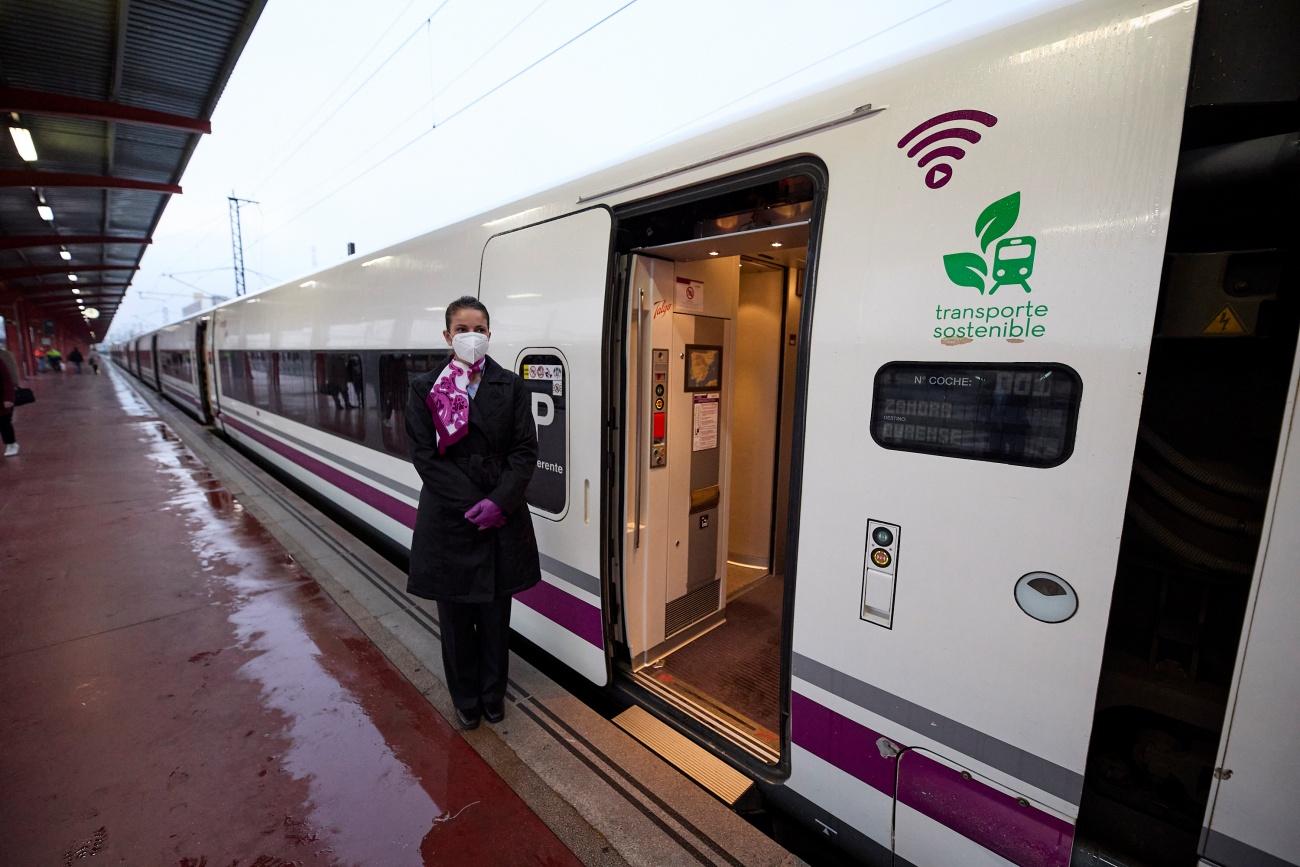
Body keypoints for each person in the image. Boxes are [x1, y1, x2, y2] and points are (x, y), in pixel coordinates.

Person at [405, 296, 541, 730]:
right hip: (450, 520)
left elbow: (525, 450)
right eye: (462, 329)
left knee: (497, 617)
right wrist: (472, 504)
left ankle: (492, 694)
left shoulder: (511, 385)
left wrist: (499, 501)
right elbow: (425, 458)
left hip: (502, 516)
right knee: (457, 621)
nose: (471, 336)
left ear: (490, 333)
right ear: (447, 336)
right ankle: (465, 697)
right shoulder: (425, 387)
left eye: (478, 328)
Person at [1, 345, 21, 456]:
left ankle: (11, 444)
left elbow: (8, 378)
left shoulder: (4, 356)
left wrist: (8, 398)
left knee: (4, 422)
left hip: (3, 396)